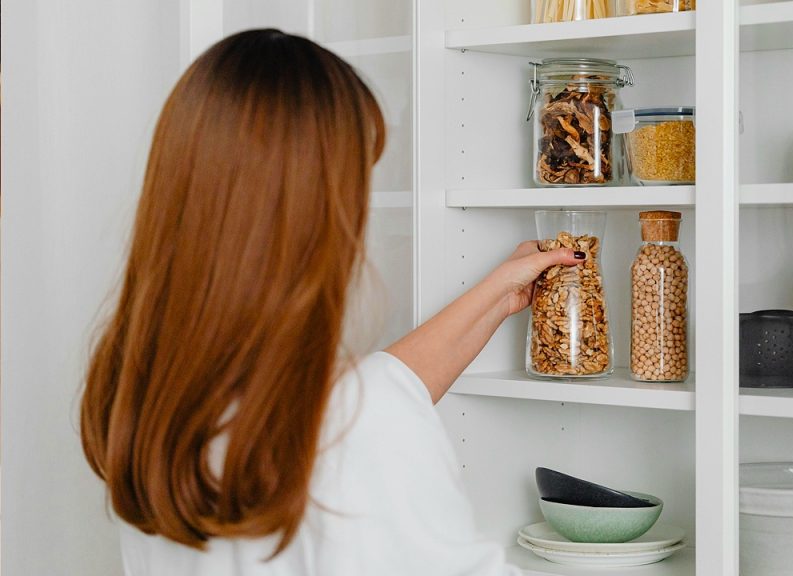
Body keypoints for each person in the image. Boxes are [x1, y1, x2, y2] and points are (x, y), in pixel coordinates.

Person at [79, 29, 585, 575]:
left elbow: (365, 394)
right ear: (313, 210)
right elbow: (359, 414)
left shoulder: (148, 397)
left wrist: (497, 294)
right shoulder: (362, 425)